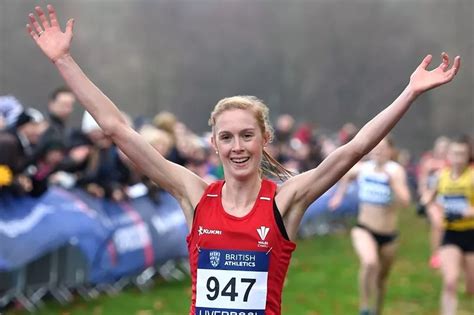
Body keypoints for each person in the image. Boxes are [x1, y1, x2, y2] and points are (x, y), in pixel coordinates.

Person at [25, 5, 461, 314]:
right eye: (227, 137)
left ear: (264, 139)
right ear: (214, 145)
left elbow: (355, 149)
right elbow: (118, 130)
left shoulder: (286, 200)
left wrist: (410, 93)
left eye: (247, 136)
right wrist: (64, 61)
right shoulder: (195, 194)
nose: (237, 146)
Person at [328, 137, 411, 315]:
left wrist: (393, 183)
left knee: (381, 279)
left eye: (382, 148)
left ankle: (376, 310)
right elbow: (346, 174)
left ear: (390, 151)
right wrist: (339, 196)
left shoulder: (395, 171)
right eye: (375, 148)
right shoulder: (363, 169)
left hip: (389, 235)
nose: (378, 151)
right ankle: (364, 308)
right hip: (364, 228)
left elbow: (405, 201)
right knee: (369, 262)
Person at [428, 136, 473, 315]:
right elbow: (429, 200)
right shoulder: (441, 176)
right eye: (455, 153)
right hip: (450, 234)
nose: (458, 157)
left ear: (468, 155)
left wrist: (469, 212)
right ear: (448, 155)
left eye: (462, 153)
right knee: (450, 281)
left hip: (471, 234)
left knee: (471, 288)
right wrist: (434, 212)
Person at [417, 136, 450, 269]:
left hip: (445, 199)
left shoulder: (450, 163)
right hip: (431, 199)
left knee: (445, 225)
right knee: (437, 223)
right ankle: (435, 254)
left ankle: (446, 251)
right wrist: (424, 195)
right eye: (440, 147)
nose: (442, 150)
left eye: (445, 148)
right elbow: (423, 180)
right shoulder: (428, 162)